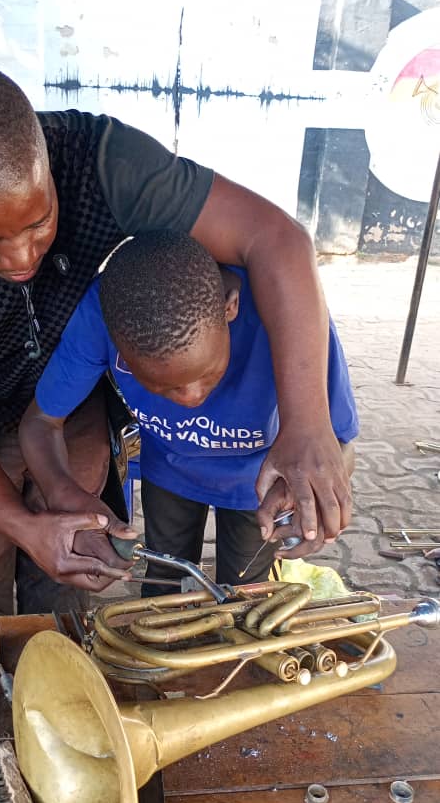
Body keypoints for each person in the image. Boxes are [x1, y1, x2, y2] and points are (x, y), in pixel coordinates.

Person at [0, 64, 352, 618]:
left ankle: (57, 677)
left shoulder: (103, 162)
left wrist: (306, 425)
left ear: (46, 157)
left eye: (40, 222)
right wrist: (22, 525)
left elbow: (275, 238)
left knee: (73, 552)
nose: (21, 258)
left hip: (74, 399)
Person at [19, 232, 358, 591]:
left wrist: (314, 496)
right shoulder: (100, 317)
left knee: (246, 593)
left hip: (261, 483)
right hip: (169, 469)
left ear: (230, 308)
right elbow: (40, 422)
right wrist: (61, 492)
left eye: (207, 373)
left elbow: (340, 442)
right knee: (162, 584)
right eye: (162, 385)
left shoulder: (289, 318)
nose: (191, 398)